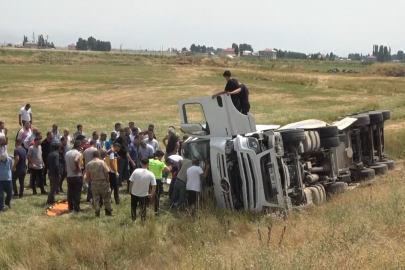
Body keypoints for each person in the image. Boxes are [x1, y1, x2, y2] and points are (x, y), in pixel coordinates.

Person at [86, 150, 113, 217]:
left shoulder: (89, 164)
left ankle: (97, 211)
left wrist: (91, 181)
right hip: (103, 182)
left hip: (94, 182)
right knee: (107, 197)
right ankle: (108, 211)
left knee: (96, 198)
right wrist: (108, 181)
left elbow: (87, 175)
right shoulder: (102, 163)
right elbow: (106, 173)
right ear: (99, 155)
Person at [128, 158, 156, 222]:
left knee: (133, 207)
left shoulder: (136, 171)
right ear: (148, 164)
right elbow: (154, 186)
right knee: (143, 208)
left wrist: (130, 190)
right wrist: (151, 194)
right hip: (143, 194)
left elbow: (131, 182)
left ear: (140, 163)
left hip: (134, 193)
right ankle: (143, 221)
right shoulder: (151, 174)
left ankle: (133, 220)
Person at [149, 150, 171, 215]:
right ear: (160, 156)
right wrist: (161, 169)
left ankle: (149, 205)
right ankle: (156, 211)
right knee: (157, 195)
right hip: (157, 180)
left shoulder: (150, 161)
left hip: (150, 179)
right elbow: (168, 169)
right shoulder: (160, 163)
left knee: (150, 193)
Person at [65, 140, 83, 212]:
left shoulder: (67, 153)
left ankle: (70, 207)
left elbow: (66, 164)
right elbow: (76, 160)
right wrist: (77, 168)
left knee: (70, 192)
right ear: (78, 146)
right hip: (76, 176)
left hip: (69, 175)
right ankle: (76, 207)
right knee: (77, 192)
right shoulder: (77, 153)